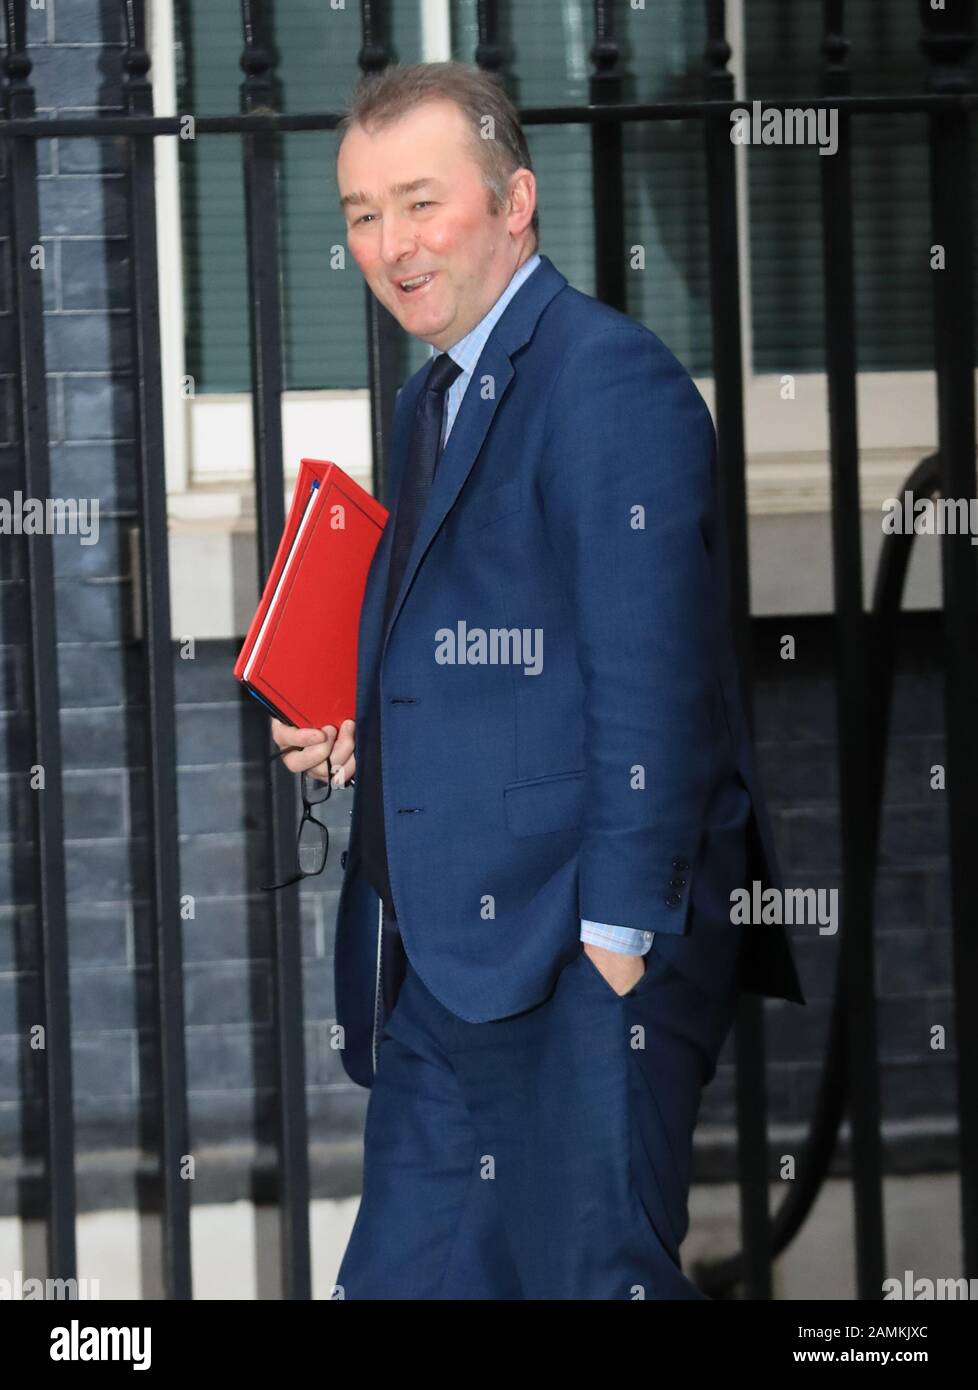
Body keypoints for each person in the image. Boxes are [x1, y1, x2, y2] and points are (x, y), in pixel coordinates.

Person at [271, 60, 805, 1300]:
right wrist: (372, 723)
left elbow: (651, 679)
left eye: (419, 202)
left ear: (516, 202)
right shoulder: (431, 400)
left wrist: (615, 947)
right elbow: (508, 643)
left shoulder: (606, 380)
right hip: (446, 969)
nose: (389, 244)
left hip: (575, 959)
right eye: (361, 214)